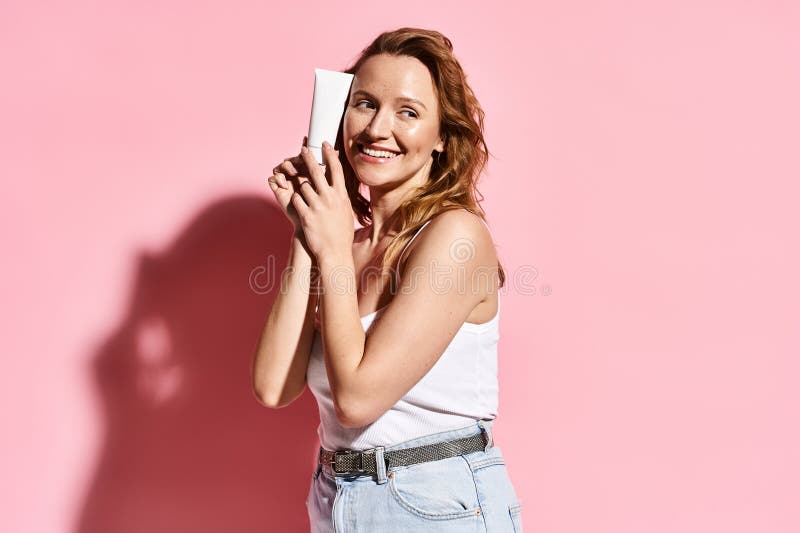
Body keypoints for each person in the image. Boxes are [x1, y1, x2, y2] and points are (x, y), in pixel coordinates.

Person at [254, 27, 523, 532]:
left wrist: (330, 246)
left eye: (408, 111)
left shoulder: (455, 237)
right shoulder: (343, 245)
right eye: (365, 103)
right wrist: (305, 233)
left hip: (433, 501)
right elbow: (273, 386)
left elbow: (356, 400)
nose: (378, 129)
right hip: (335, 497)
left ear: (443, 136)